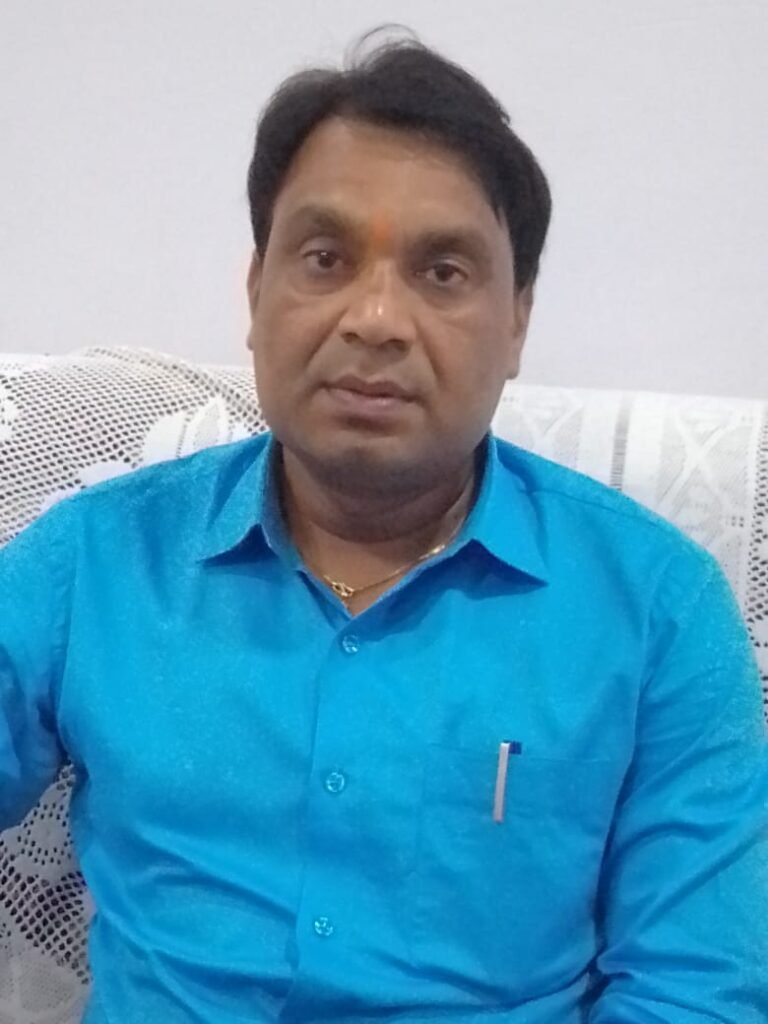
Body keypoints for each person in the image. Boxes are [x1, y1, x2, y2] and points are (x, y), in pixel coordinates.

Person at [1, 28, 766, 1024]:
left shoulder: (657, 610)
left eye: (442, 272)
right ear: (256, 293)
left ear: (518, 320)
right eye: (325, 258)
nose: (375, 319)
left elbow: (699, 989)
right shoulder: (93, 565)